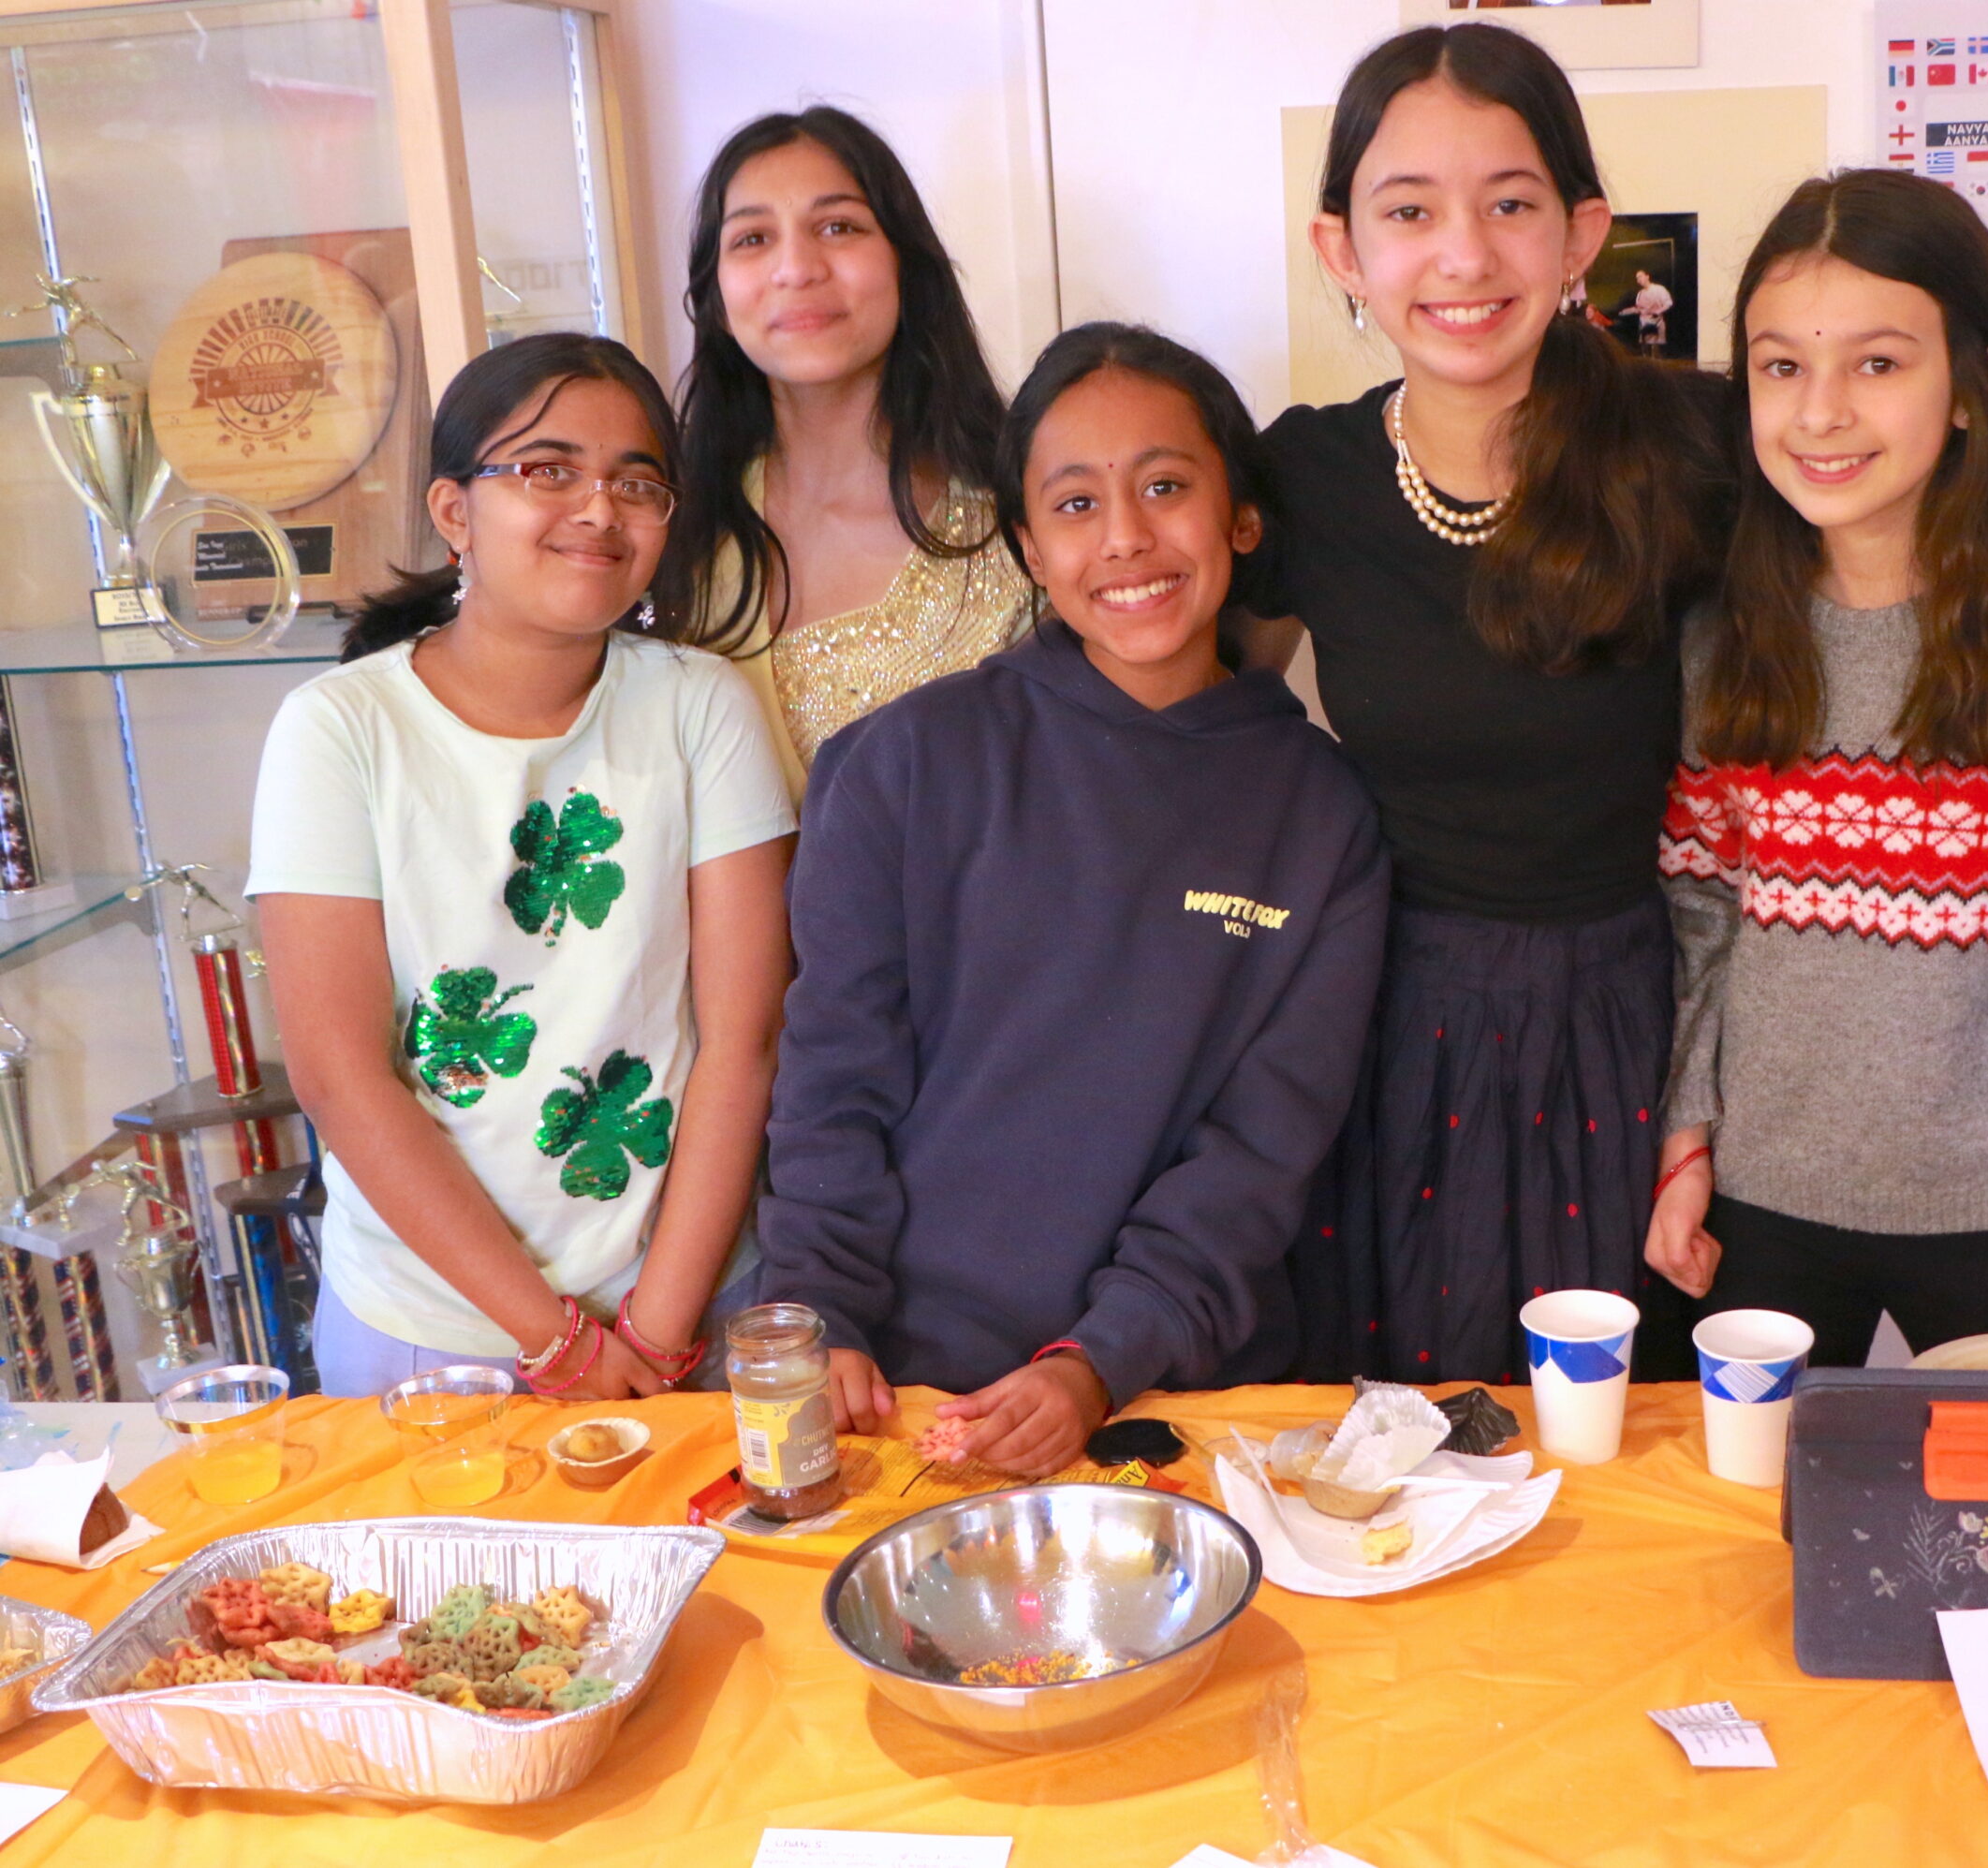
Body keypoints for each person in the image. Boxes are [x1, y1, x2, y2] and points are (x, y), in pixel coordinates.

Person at [1243, 22, 1988, 1387]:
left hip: (1633, 1026)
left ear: (1582, 232)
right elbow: (1177, 682)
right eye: (1409, 210)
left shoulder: (1696, 447)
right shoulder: (1303, 479)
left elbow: (1918, 557)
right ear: (1343, 246)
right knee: (1443, 1427)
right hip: (1402, 1024)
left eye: (1511, 205)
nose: (1463, 256)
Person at [758, 324, 1389, 1476]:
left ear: (1241, 520)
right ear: (1028, 548)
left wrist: (1095, 1359)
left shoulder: (1322, 818)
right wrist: (824, 1315)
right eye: (1076, 505)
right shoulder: (899, 765)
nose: (1129, 539)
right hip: (898, 1385)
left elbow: (1257, 1152)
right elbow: (830, 1085)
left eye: (1164, 487)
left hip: (1166, 1391)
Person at [1643, 169, 1988, 1362]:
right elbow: (1700, 918)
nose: (1819, 414)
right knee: (1748, 1538)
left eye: (1878, 362)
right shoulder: (1720, 640)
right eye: (1780, 365)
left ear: (1971, 385)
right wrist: (1686, 1136)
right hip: (1760, 1208)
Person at [250, 334, 798, 1399]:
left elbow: (745, 1037)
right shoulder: (339, 730)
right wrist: (558, 1341)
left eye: (636, 482)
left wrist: (658, 1329)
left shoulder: (701, 704)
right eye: (548, 471)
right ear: (455, 512)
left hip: (682, 1301)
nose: (598, 510)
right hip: (431, 1326)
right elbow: (339, 1073)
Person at [679, 108, 1036, 798]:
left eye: (838, 227)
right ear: (716, 295)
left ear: (906, 260)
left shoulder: (1024, 535)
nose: (796, 268)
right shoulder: (669, 541)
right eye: (752, 238)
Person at [1628, 268, 1673, 358]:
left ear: (1647, 276)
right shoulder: (1640, 293)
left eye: (1640, 277)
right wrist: (1630, 311)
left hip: (1656, 322)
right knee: (1645, 351)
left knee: (1656, 351)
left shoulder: (1659, 289)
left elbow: (1668, 303)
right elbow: (1639, 308)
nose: (1639, 280)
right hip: (1644, 324)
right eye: (1637, 278)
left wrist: (1657, 312)